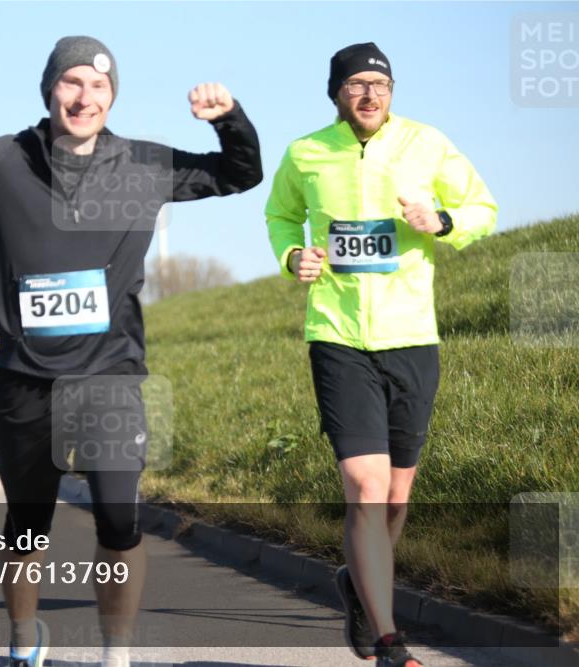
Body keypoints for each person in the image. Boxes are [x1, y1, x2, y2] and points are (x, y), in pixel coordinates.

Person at [0, 36, 262, 667]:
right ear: (49, 89)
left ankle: (116, 654)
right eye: (72, 83)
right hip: (23, 383)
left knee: (118, 518)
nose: (85, 97)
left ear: (113, 97)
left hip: (110, 377)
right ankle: (25, 639)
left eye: (100, 87)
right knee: (29, 528)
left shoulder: (142, 165)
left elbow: (239, 173)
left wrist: (230, 121)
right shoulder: (0, 161)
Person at [264, 42, 497, 667]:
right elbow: (281, 216)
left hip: (412, 336)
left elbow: (482, 208)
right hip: (338, 335)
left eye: (380, 84)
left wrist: (440, 220)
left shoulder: (427, 143)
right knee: (366, 488)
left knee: (395, 499)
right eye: (357, 84)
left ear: (392, 92)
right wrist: (294, 256)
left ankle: (359, 589)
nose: (369, 94)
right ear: (337, 92)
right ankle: (392, 643)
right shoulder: (306, 152)